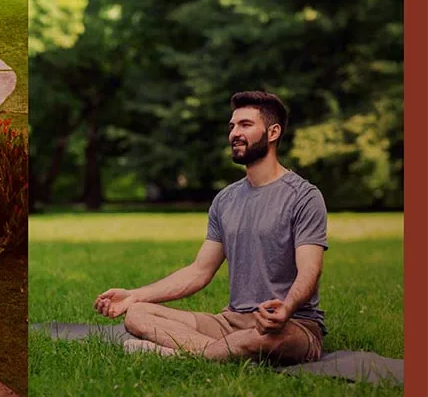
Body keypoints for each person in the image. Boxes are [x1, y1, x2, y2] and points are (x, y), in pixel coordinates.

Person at [94, 91, 328, 365]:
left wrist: (286, 308)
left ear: (273, 132)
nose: (234, 133)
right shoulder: (225, 200)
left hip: (290, 325)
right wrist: (133, 295)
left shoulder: (304, 196)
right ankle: (220, 353)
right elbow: (199, 271)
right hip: (231, 321)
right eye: (232, 126)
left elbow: (310, 269)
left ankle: (179, 354)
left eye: (245, 125)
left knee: (258, 339)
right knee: (137, 314)